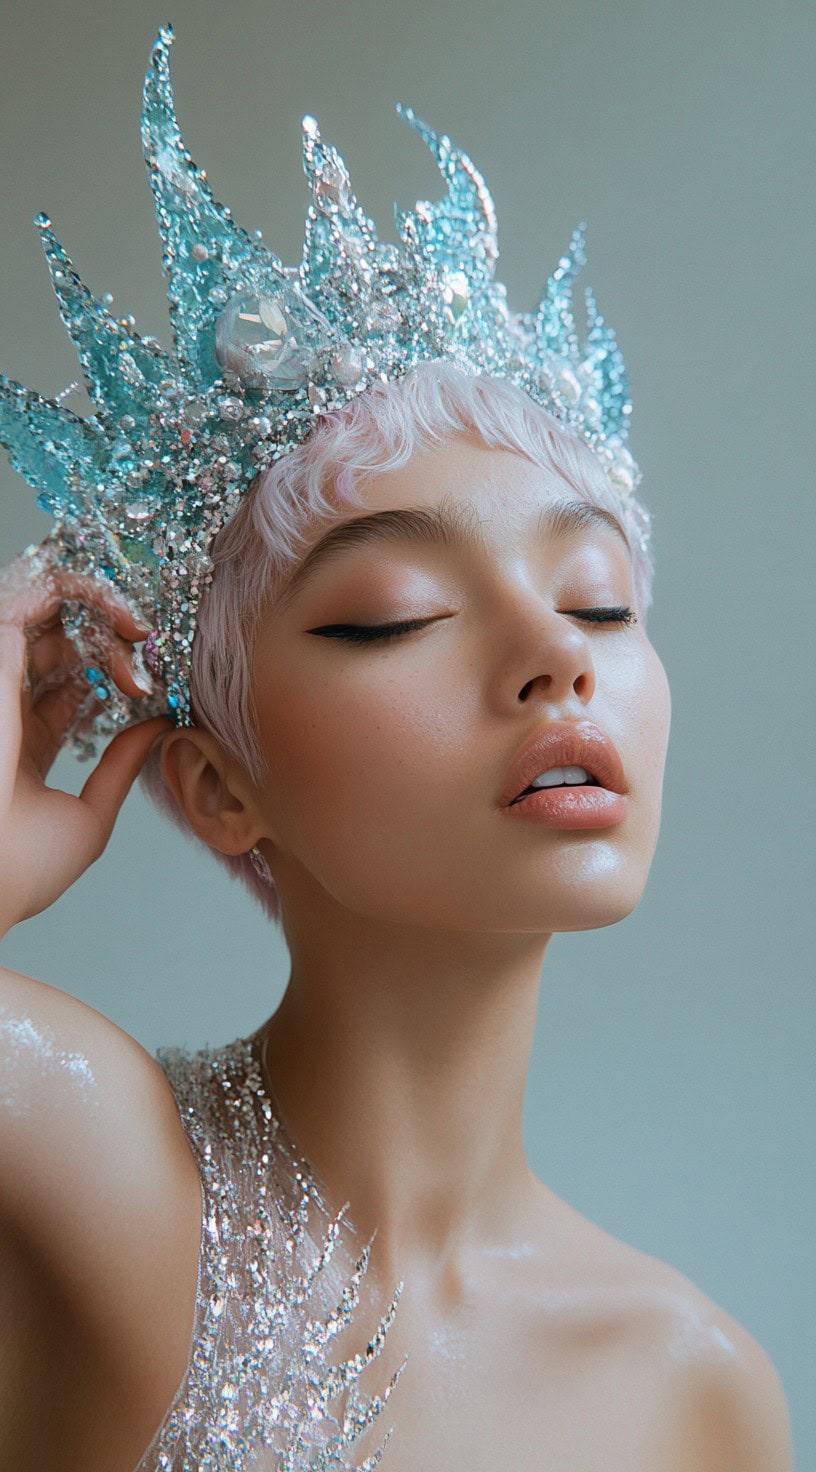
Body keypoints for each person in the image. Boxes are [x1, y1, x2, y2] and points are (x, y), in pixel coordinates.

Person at [0, 25, 793, 1472]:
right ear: (219, 787)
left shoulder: (695, 1392)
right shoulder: (88, 1163)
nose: (558, 656)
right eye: (395, 613)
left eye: (599, 599)